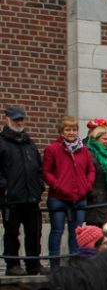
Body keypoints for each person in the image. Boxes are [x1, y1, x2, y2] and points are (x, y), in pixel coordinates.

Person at [43, 116, 94, 266]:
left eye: (74, 129)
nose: (71, 132)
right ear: (61, 131)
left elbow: (90, 170)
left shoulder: (84, 150)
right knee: (57, 231)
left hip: (79, 196)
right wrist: (57, 185)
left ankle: (75, 261)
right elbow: (46, 171)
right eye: (68, 129)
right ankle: (54, 263)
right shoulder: (52, 149)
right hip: (58, 197)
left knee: (76, 232)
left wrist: (87, 185)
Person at [0, 105, 45, 276]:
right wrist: (4, 188)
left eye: (21, 119)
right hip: (11, 198)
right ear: (7, 119)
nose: (19, 122)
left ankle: (33, 264)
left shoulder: (29, 143)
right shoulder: (2, 142)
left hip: (31, 197)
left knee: (34, 232)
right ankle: (12, 265)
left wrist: (39, 186)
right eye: (16, 119)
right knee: (12, 233)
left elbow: (38, 168)